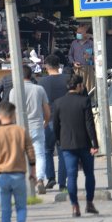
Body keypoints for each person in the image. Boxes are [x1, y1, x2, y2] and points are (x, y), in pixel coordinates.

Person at [53, 74, 99, 218]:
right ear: (78, 86)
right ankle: (89, 203)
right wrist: (94, 144)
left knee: (71, 176)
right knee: (89, 174)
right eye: (82, 85)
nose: (83, 87)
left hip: (67, 145)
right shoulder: (84, 101)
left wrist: (59, 141)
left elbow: (56, 126)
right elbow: (89, 124)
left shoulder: (58, 103)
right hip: (84, 144)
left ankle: (75, 206)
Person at [9, 65, 51, 194]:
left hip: (19, 127)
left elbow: (11, 111)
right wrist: (46, 122)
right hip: (37, 125)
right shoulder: (39, 89)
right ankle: (39, 180)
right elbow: (47, 110)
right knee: (39, 154)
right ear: (31, 75)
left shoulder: (13, 91)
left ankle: (21, 183)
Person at [37, 55, 68, 191]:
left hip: (48, 120)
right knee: (62, 152)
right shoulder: (67, 79)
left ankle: (50, 178)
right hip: (64, 120)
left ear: (46, 66)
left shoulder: (41, 82)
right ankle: (62, 182)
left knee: (47, 150)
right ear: (59, 65)